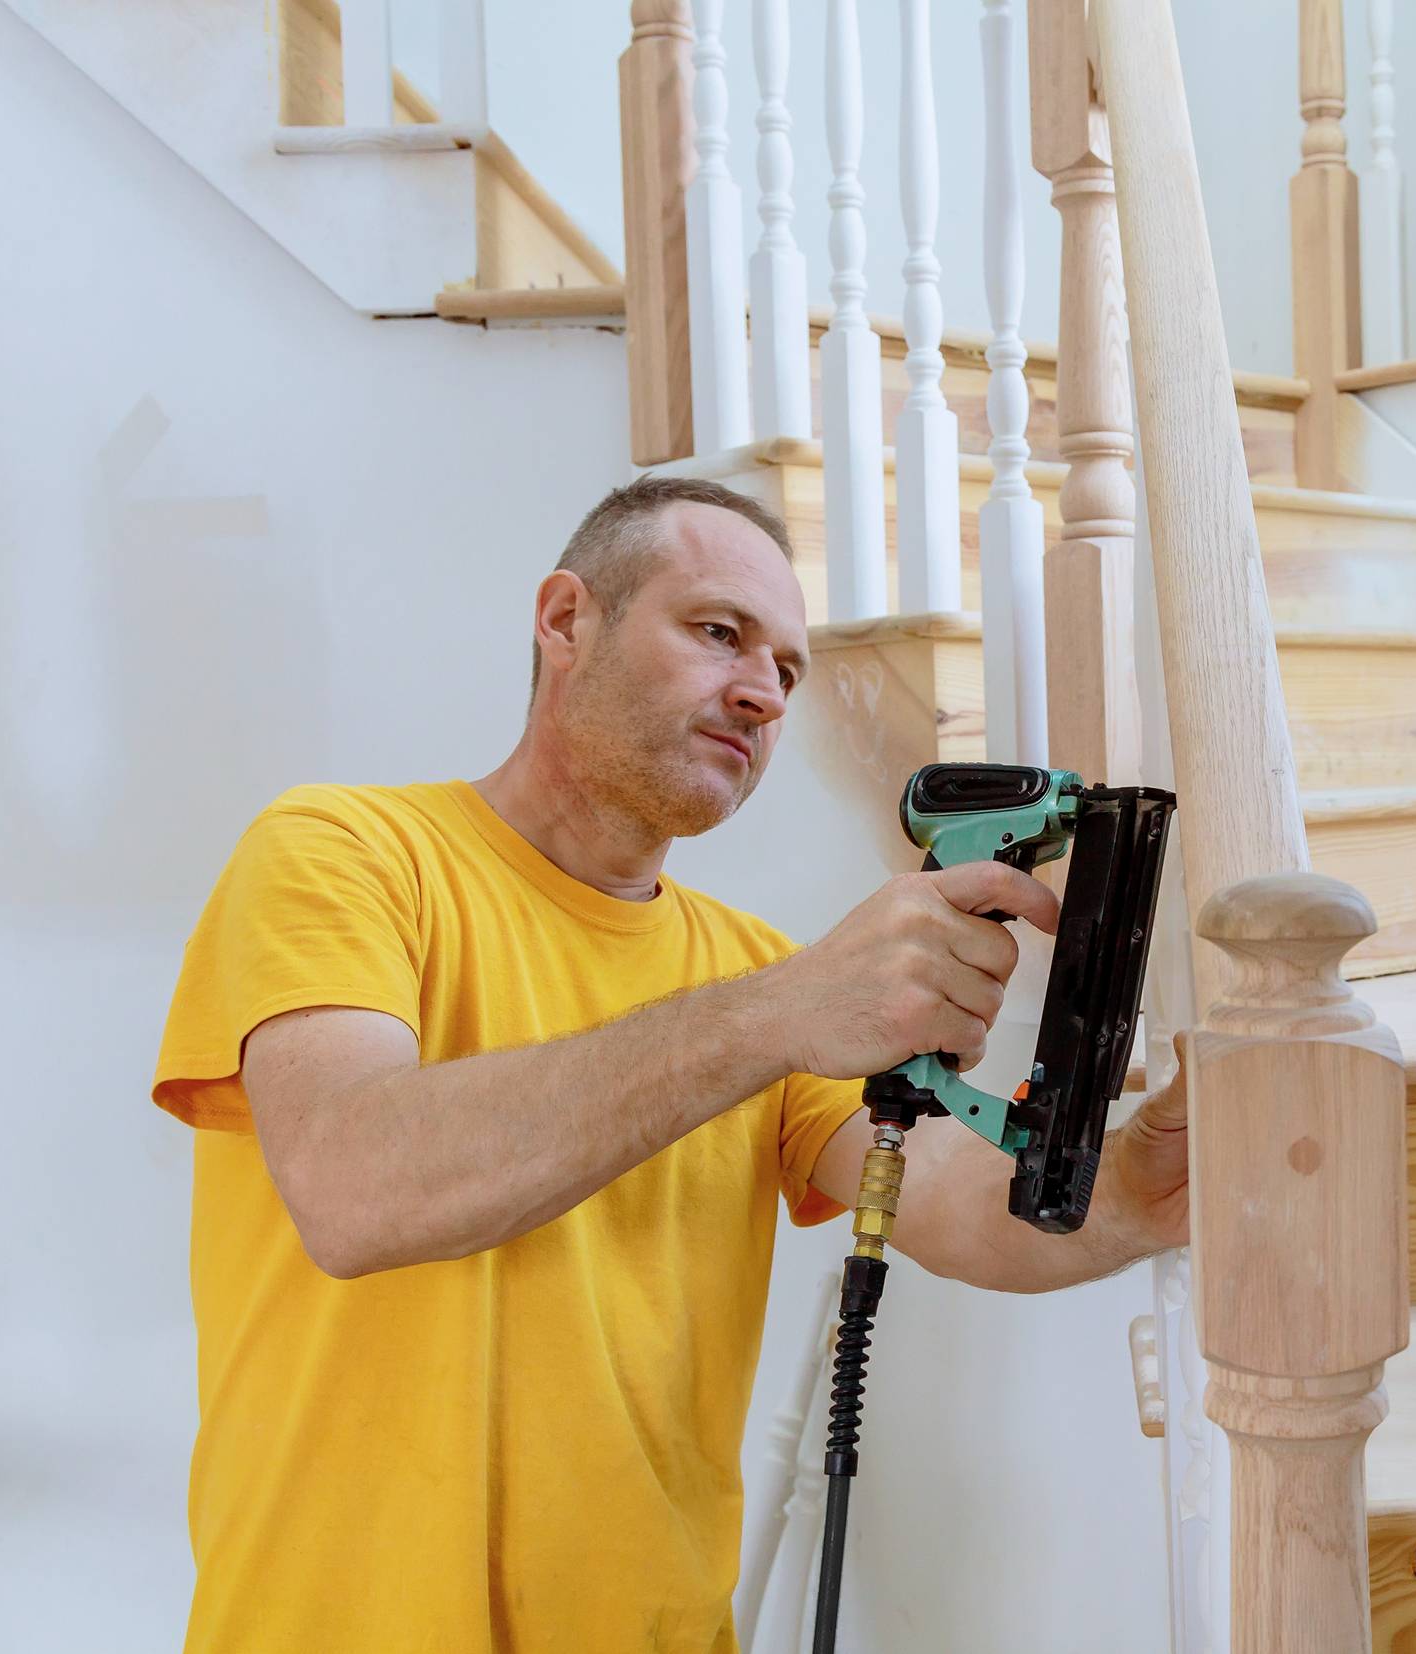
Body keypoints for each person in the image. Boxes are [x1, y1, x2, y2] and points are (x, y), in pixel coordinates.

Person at [150, 475, 1190, 1653]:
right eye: (716, 632)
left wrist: (1134, 1187)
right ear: (564, 621)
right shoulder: (344, 856)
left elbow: (949, 1199)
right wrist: (775, 1012)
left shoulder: (753, 973)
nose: (759, 690)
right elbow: (354, 1186)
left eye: (788, 673)